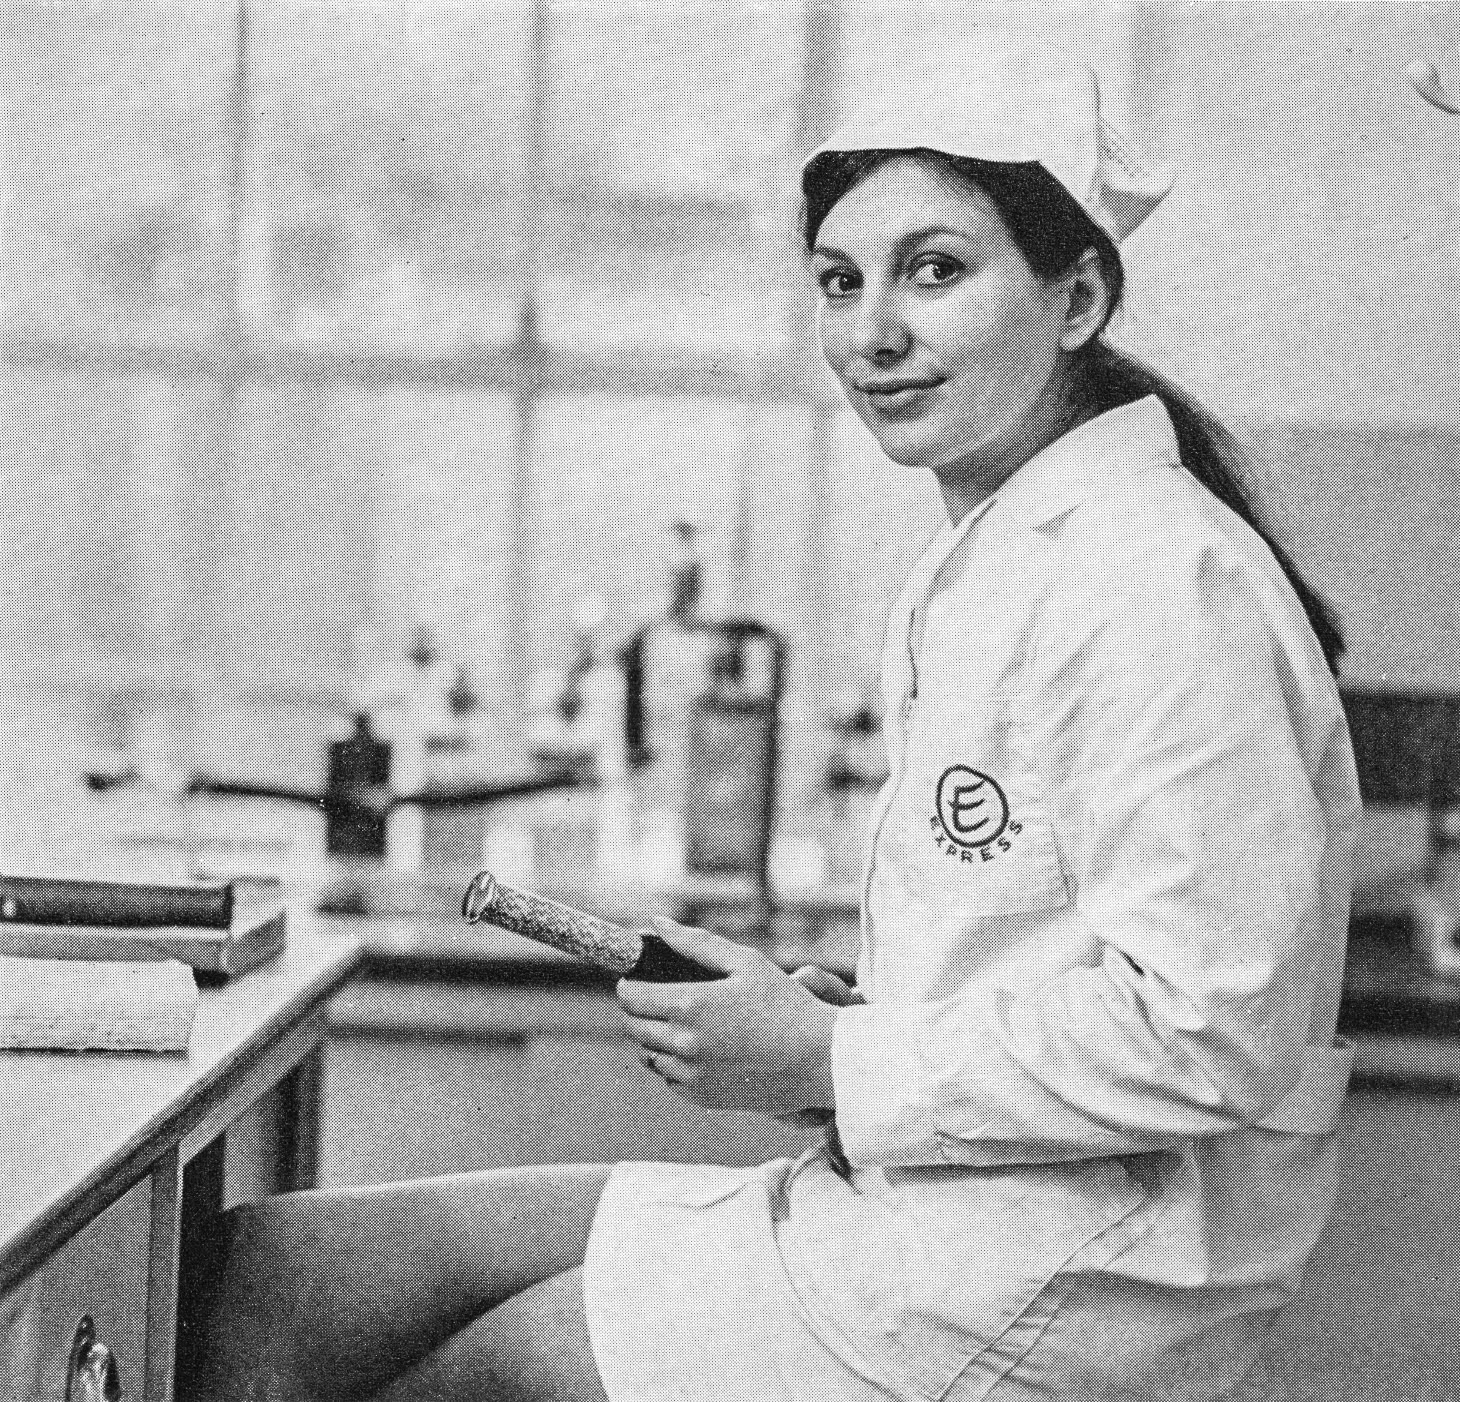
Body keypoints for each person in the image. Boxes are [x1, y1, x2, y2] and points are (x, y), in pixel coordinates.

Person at [182, 40, 1359, 1402]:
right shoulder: (1011, 545)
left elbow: (1210, 1031)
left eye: (937, 269)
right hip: (935, 1207)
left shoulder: (1160, 581)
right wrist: (845, 1027)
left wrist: (833, 1057)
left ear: (1078, 293)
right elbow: (1049, 948)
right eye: (840, 279)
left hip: (1058, 1279)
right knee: (280, 1274)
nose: (873, 331)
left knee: (487, 1378)